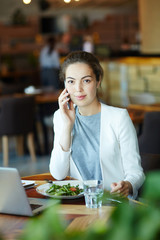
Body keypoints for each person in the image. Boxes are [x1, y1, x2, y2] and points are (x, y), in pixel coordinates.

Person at [49, 51, 145, 199]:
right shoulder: (60, 117)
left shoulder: (119, 118)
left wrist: (128, 184)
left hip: (114, 204)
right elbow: (58, 174)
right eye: (71, 81)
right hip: (80, 203)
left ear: (98, 80)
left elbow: (136, 172)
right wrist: (67, 126)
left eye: (86, 80)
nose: (78, 89)